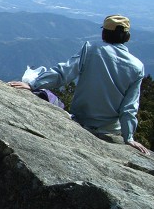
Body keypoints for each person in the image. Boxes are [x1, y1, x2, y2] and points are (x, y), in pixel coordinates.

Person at [8, 14, 149, 155]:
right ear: (127, 37)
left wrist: (33, 84)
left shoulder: (91, 49)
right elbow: (129, 107)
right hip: (110, 130)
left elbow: (63, 73)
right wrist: (129, 137)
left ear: (103, 33)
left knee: (45, 95)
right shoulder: (137, 67)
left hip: (80, 121)